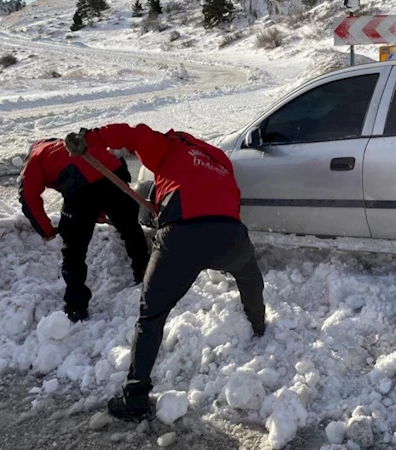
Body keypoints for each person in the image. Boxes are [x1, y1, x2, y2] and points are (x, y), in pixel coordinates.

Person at [63, 124, 266, 422]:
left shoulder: (170, 144)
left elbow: (132, 135)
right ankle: (258, 325)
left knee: (151, 315)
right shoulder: (219, 159)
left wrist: (89, 138)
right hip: (230, 233)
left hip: (181, 235)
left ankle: (135, 398)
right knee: (250, 277)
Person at [19, 137, 150, 323]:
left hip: (79, 186)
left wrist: (46, 230)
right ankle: (145, 275)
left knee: (74, 251)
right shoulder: (72, 143)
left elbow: (28, 197)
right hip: (114, 172)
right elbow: (113, 160)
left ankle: (76, 307)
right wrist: (103, 208)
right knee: (130, 228)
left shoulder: (35, 156)